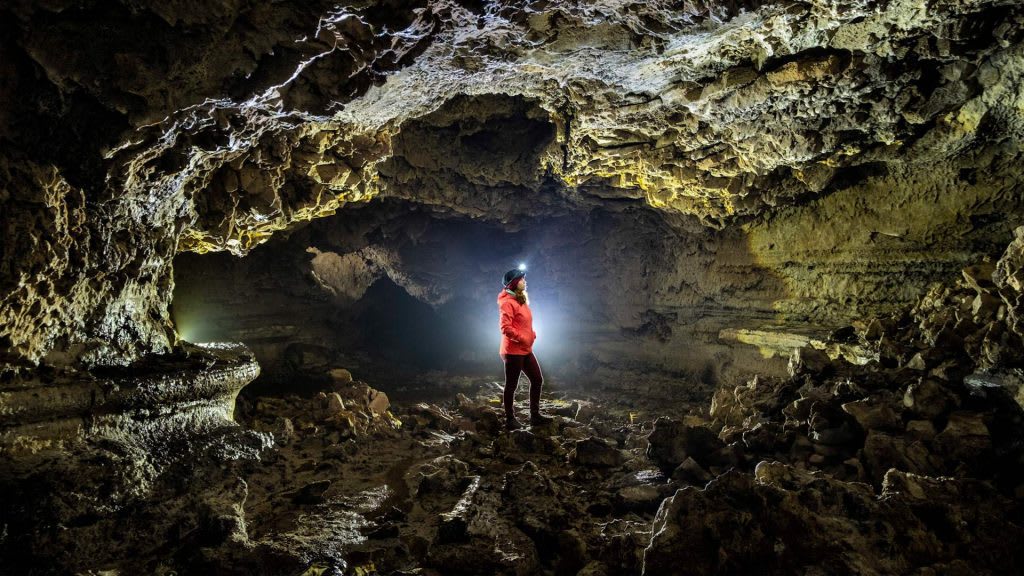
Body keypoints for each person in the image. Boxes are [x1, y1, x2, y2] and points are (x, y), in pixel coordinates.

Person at [497, 267, 553, 430]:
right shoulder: (508, 303)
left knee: (537, 380)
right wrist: (522, 338)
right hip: (513, 351)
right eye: (521, 279)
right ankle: (509, 419)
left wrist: (532, 334)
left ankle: (534, 416)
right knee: (511, 385)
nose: (524, 281)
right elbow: (505, 328)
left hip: (525, 349)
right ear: (514, 283)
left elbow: (525, 324)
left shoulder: (521, 300)